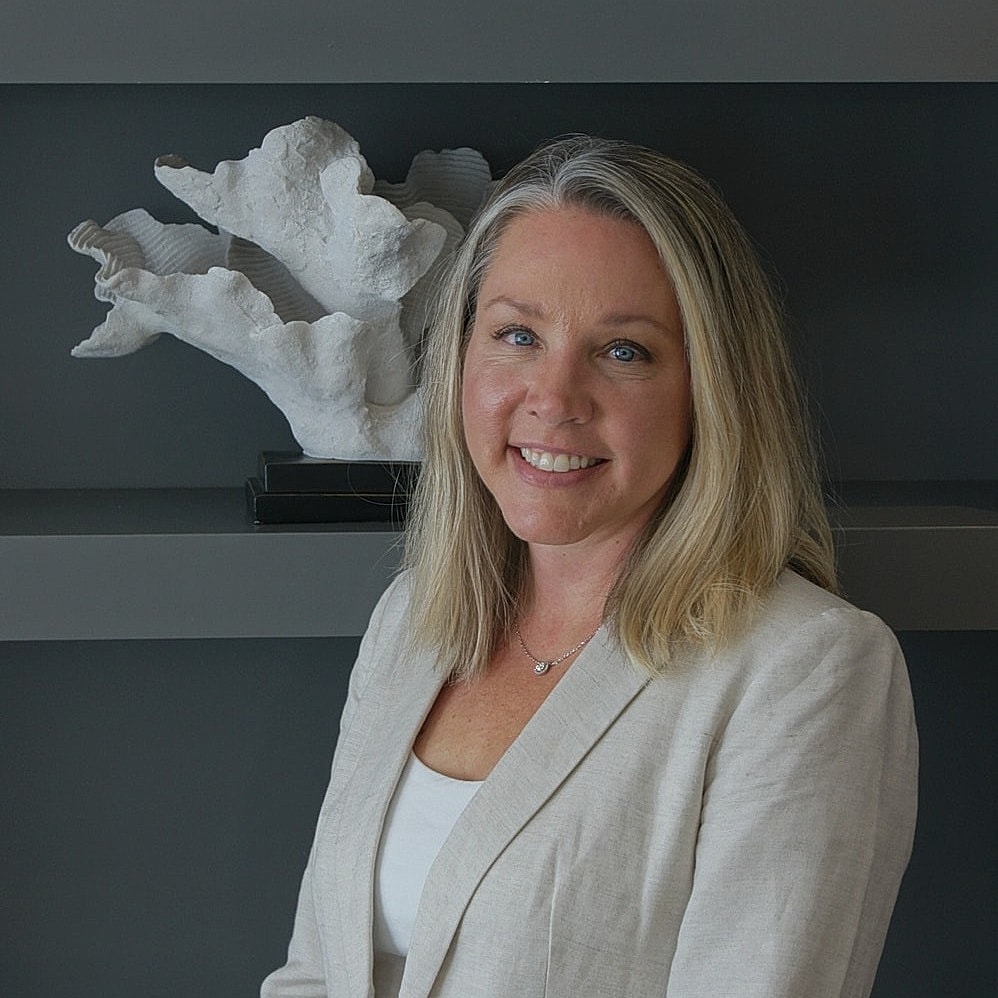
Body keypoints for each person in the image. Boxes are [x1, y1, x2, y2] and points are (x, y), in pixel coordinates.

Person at [261, 135, 918, 997]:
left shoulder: (806, 670)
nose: (554, 398)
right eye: (518, 334)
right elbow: (317, 971)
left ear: (710, 389)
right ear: (461, 358)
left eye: (624, 351)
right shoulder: (413, 619)